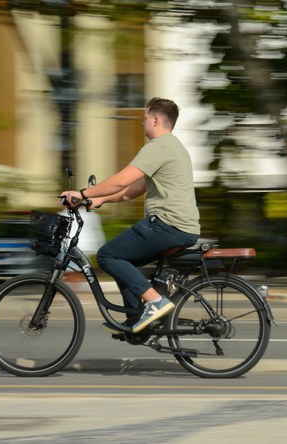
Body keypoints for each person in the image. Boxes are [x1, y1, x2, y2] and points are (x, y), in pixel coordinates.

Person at [61, 97, 200, 334]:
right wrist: (100, 199)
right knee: (124, 262)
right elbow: (132, 189)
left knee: (107, 255)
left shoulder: (159, 147)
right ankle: (137, 321)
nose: (142, 123)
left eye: (145, 119)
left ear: (156, 119)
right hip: (179, 227)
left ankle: (155, 302)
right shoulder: (174, 148)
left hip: (167, 225)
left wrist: (82, 193)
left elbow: (122, 180)